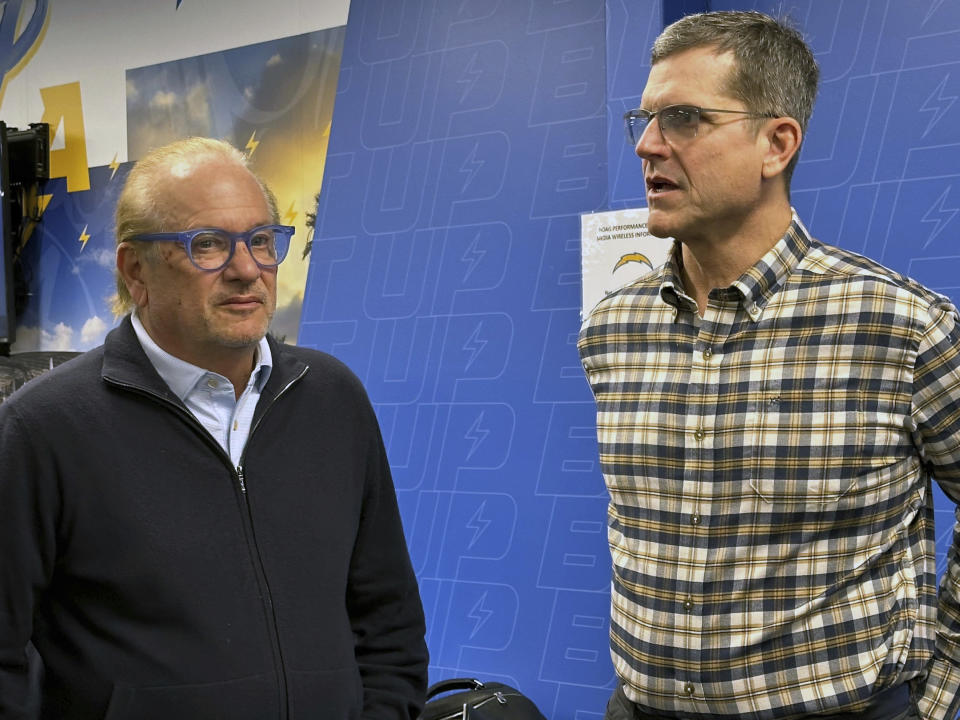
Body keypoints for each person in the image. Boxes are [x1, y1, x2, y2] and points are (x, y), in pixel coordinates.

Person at [578, 11, 960, 720]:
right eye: (646, 117)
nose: (647, 145)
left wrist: (936, 695)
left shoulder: (901, 327)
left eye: (684, 119)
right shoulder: (612, 329)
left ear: (776, 143)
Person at [0, 137, 429, 719]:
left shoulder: (332, 399)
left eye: (260, 240)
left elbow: (388, 617)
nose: (247, 269)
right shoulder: (42, 429)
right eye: (207, 245)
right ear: (135, 270)